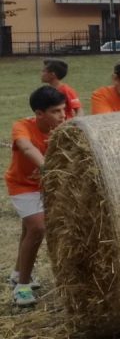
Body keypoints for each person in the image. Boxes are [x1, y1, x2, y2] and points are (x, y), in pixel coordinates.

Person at [7, 86, 67, 306]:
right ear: (39, 113)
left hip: (47, 185)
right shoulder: (22, 126)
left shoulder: (64, 128)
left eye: (63, 109)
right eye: (56, 111)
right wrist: (46, 168)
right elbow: (26, 147)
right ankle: (22, 287)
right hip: (22, 185)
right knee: (38, 228)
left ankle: (16, 274)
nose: (62, 115)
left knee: (28, 229)